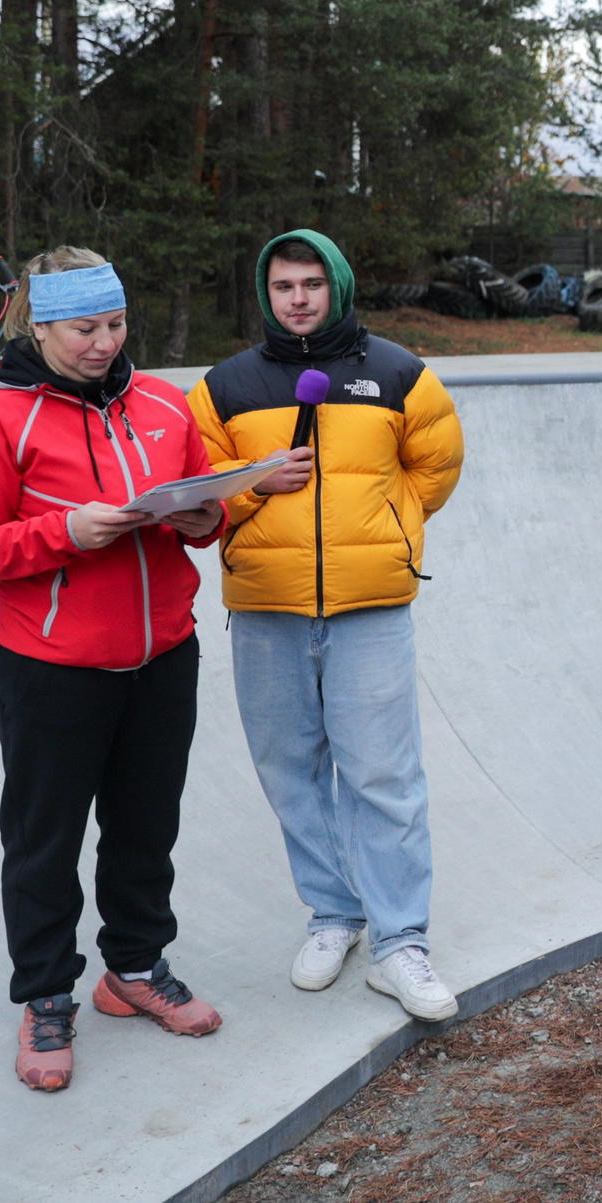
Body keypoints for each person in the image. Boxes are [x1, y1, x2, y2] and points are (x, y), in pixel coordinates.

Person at [0, 249, 229, 1093]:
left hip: (164, 654)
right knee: (44, 840)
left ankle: (132, 969)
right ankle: (46, 995)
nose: (105, 343)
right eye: (83, 329)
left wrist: (207, 515)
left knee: (146, 825)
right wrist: (66, 533)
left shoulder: (167, 404)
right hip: (49, 668)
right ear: (39, 324)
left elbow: (202, 512)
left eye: (116, 323)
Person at [190, 231, 466, 1021]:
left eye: (313, 282)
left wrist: (393, 521)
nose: (299, 298)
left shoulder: (397, 372)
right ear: (265, 294)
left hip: (369, 605)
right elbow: (201, 490)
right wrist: (257, 487)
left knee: (383, 774)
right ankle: (335, 913)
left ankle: (399, 941)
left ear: (337, 286)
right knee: (292, 770)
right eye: (283, 286)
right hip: (267, 607)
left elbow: (436, 463)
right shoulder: (226, 386)